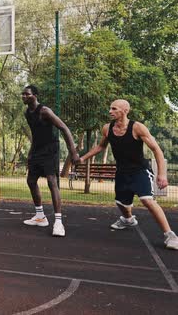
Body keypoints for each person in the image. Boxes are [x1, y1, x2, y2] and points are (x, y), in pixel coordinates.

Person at [80, 99, 178, 250]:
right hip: (122, 172)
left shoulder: (137, 128)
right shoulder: (107, 128)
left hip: (139, 171)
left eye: (114, 109)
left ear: (125, 111)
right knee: (121, 203)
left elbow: (157, 150)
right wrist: (82, 158)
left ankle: (170, 235)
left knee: (147, 200)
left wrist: (162, 175)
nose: (110, 111)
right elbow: (100, 146)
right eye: (110, 108)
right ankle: (128, 219)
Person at [21, 85, 80, 237]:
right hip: (37, 151)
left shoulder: (45, 111)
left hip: (50, 151)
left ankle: (58, 222)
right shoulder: (27, 112)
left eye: (27, 94)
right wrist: (30, 153)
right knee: (31, 181)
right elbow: (36, 134)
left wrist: (73, 152)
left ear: (35, 95)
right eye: (22, 94)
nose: (24, 96)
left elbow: (64, 128)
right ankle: (40, 216)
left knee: (52, 182)